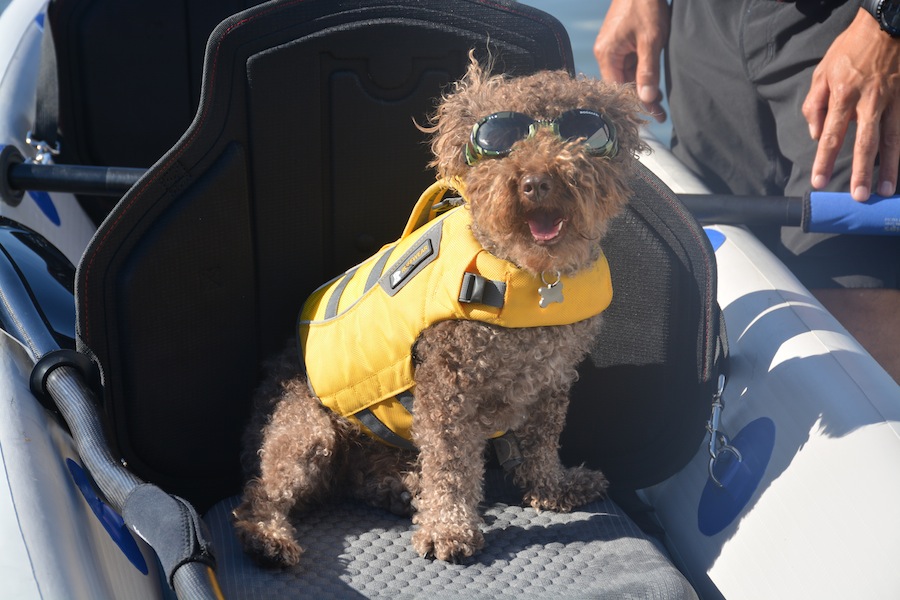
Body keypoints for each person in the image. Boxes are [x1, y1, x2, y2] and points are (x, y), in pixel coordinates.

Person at [594, 0, 900, 381]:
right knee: (714, 291)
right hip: (705, 27)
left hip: (851, 31)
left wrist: (885, 24)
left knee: (853, 327)